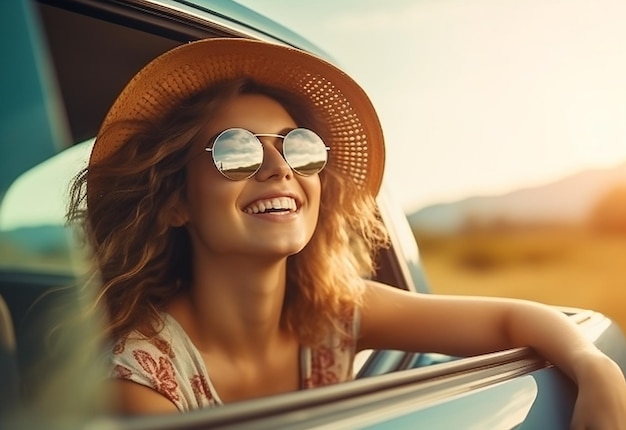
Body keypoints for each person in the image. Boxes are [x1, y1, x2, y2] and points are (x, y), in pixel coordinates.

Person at [68, 38, 626, 426]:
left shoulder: (333, 313)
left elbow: (512, 318)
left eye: (296, 146)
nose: (278, 168)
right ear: (174, 204)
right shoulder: (140, 379)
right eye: (235, 151)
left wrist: (594, 366)